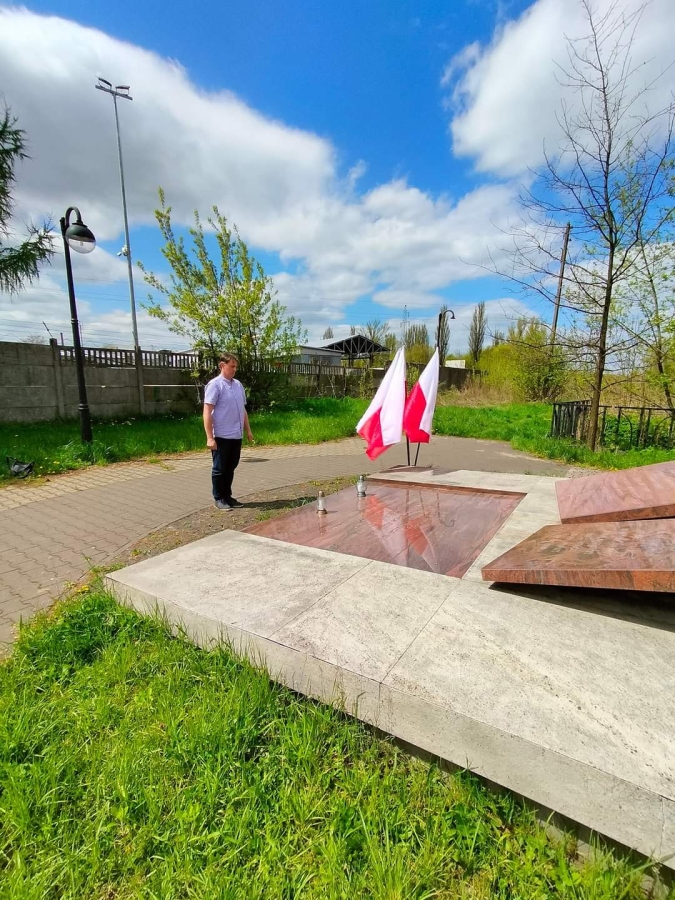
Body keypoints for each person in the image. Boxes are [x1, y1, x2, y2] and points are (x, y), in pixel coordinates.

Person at [203, 353, 254, 510]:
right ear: (222, 366)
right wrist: (210, 437)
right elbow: (207, 411)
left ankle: (227, 496)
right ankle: (219, 498)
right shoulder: (215, 385)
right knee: (220, 468)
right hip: (221, 435)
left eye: (236, 367)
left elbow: (242, 409)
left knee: (231, 466)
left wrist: (248, 430)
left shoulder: (238, 385)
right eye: (232, 366)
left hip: (236, 435)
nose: (234, 369)